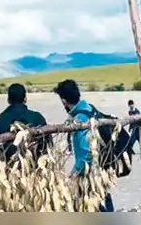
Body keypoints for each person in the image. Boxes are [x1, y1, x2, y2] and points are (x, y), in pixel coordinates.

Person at [54, 79, 115, 212]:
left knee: (96, 204)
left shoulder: (80, 119)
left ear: (64, 100)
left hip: (89, 173)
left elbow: (86, 153)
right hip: (101, 166)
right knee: (104, 199)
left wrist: (73, 174)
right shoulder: (88, 107)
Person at [0, 83, 49, 161]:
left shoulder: (1, 120)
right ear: (25, 99)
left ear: (8, 100)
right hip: (35, 165)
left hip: (9, 167)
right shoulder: (38, 117)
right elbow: (47, 144)